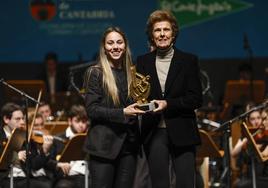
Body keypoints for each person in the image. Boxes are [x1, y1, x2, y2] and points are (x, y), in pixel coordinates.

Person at [136, 10, 203, 188]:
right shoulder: (143, 61)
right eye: (157, 30)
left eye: (166, 29)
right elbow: (141, 96)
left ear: (173, 33)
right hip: (154, 131)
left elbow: (196, 99)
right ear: (152, 35)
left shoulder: (188, 60)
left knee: (186, 183)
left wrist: (168, 104)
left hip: (182, 129)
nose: (162, 34)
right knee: (159, 184)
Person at [83, 26, 145, 188]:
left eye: (119, 42)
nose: (115, 46)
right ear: (104, 47)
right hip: (103, 147)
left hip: (129, 146)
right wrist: (123, 112)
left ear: (125, 46)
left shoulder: (133, 73)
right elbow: (92, 110)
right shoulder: (95, 73)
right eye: (110, 43)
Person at [0, 102, 54, 188]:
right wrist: (15, 157)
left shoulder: (25, 136)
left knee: (48, 184)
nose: (22, 122)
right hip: (6, 178)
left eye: (22, 119)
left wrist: (44, 150)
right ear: (6, 119)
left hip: (24, 177)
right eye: (17, 119)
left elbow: (34, 165)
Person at [53, 104, 90, 188]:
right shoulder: (58, 138)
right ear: (70, 121)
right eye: (77, 121)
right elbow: (51, 162)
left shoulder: (89, 138)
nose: (81, 125)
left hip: (86, 176)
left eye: (84, 122)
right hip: (67, 178)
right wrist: (59, 164)